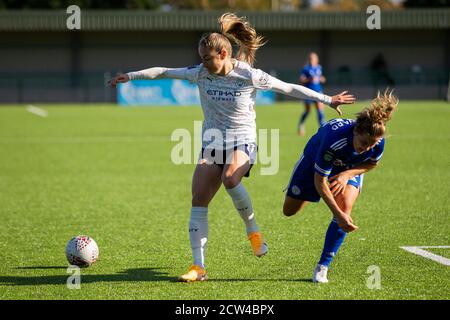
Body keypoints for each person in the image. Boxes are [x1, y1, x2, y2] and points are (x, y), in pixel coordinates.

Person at [109, 12, 355, 283]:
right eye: (201, 58)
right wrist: (129, 76)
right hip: (212, 142)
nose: (202, 63)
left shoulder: (249, 75)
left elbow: (288, 88)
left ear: (224, 53)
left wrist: (327, 98)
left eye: (207, 58)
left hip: (243, 140)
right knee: (198, 200)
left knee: (230, 178)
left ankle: (253, 232)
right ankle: (198, 267)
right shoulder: (200, 74)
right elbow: (164, 71)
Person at [283, 89, 398, 283]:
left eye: (372, 144)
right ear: (356, 131)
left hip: (348, 168)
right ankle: (310, 196)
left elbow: (371, 163)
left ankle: (322, 266)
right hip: (314, 163)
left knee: (345, 208)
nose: (367, 148)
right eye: (363, 142)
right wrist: (337, 214)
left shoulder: (377, 142)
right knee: (289, 211)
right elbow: (319, 181)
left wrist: (346, 174)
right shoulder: (334, 140)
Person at [298, 52, 327, 136]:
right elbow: (301, 80)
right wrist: (309, 79)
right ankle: (301, 124)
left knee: (320, 110)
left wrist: (322, 79)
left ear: (316, 60)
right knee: (308, 111)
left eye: (313, 58)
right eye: (310, 58)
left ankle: (322, 129)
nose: (311, 60)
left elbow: (321, 78)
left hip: (318, 92)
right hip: (308, 93)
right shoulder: (306, 69)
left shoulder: (319, 68)